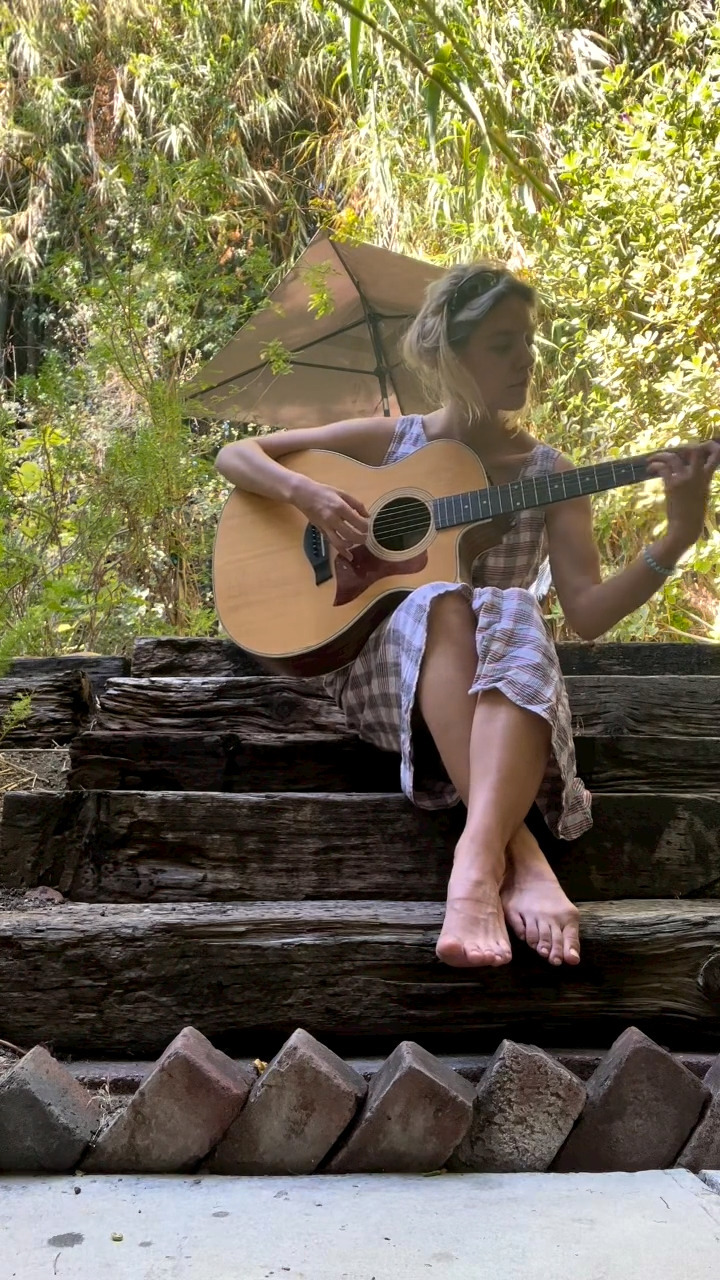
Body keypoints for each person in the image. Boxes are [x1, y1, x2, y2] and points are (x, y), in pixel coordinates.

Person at [215, 262, 720, 971]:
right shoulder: (394, 440)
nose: (526, 359)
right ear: (449, 354)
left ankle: (475, 868)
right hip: (386, 678)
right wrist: (310, 495)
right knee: (442, 600)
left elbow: (587, 614)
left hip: (501, 687)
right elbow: (235, 453)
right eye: (503, 344)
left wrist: (678, 536)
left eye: (528, 342)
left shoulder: (550, 472)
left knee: (506, 604)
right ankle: (522, 858)